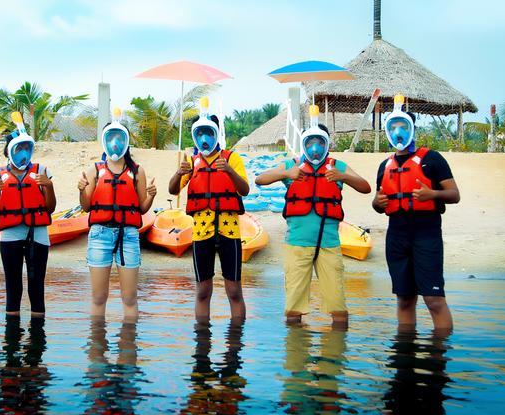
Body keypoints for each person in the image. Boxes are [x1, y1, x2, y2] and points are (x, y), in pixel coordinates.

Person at [255, 119, 370, 328]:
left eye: (319, 142)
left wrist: (342, 176)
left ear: (327, 144)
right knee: (293, 311)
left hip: (329, 244)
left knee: (339, 310)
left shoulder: (338, 167)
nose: (314, 148)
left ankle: (333, 357)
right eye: (310, 143)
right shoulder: (293, 165)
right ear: (304, 144)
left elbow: (365, 187)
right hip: (297, 245)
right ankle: (297, 353)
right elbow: (260, 179)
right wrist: (285, 173)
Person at [372, 97, 460, 332]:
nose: (397, 132)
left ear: (412, 128)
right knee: (404, 298)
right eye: (392, 127)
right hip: (397, 236)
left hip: (426, 234)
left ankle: (439, 356)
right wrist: (376, 202)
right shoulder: (385, 165)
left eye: (402, 126)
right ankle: (405, 358)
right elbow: (380, 204)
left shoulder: (432, 159)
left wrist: (431, 194)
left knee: (434, 300)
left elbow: (454, 194)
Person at [168, 109, 251, 322]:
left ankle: (235, 347)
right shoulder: (192, 162)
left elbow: (244, 190)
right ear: (195, 136)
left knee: (233, 290)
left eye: (209, 133)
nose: (205, 139)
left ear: (217, 134)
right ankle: (202, 346)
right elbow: (172, 190)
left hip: (228, 231)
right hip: (201, 233)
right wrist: (179, 172)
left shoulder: (232, 159)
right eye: (200, 133)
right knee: (203, 290)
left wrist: (230, 172)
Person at [79, 113, 157, 322]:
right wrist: (81, 190)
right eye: (111, 137)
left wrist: (151, 196)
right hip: (100, 234)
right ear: (104, 140)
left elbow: (142, 208)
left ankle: (128, 351)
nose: (115, 142)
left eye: (119, 137)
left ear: (126, 140)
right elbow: (85, 206)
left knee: (130, 297)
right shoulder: (94, 170)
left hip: (129, 235)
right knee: (98, 296)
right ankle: (97, 350)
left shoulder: (137, 171)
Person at [0, 122, 56, 317]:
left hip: (38, 234)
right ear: (9, 151)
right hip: (10, 235)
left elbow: (50, 208)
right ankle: (11, 340)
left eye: (27, 147)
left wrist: (49, 187)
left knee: (37, 286)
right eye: (19, 148)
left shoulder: (41, 170)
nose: (24, 152)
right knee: (13, 285)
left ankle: (37, 340)